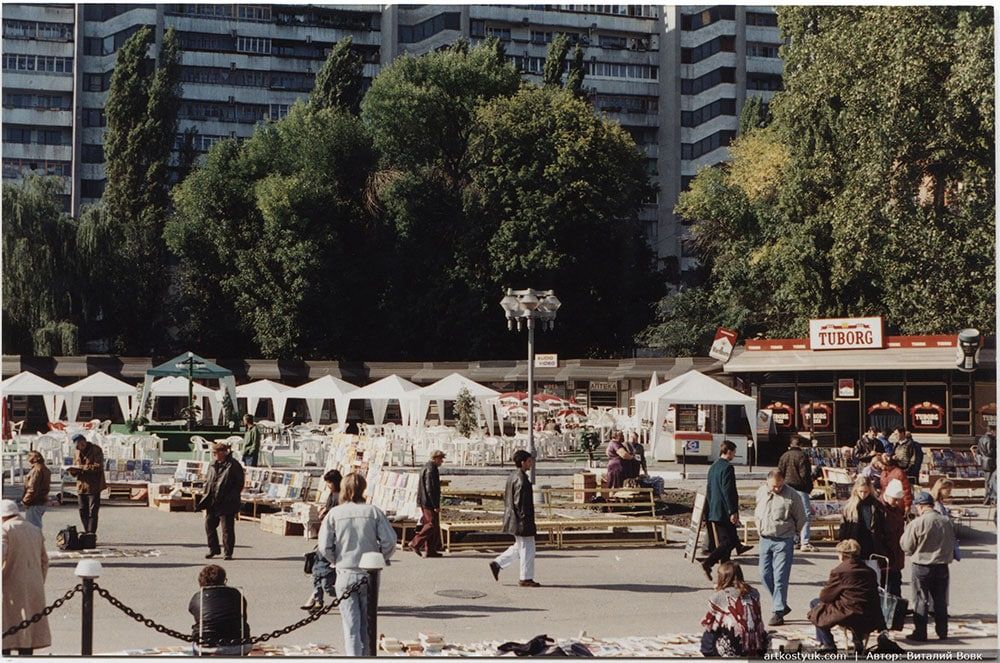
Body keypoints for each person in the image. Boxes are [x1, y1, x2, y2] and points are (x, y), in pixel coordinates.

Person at [318, 473, 396, 656]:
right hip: (369, 573)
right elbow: (390, 541)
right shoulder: (373, 511)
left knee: (350, 626)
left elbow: (324, 546)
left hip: (345, 572)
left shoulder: (334, 513)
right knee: (368, 626)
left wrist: (335, 560)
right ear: (363, 488)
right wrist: (379, 558)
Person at [807, 539, 886, 654]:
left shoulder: (839, 571)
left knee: (816, 605)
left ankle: (828, 644)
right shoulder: (869, 571)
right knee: (855, 605)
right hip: (870, 613)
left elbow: (825, 597)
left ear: (843, 555)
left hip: (849, 613)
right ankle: (857, 640)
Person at [901, 491, 957, 641]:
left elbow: (906, 546)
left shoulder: (917, 523)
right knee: (940, 600)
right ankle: (942, 631)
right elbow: (952, 542)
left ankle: (920, 633)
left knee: (921, 600)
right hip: (942, 565)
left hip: (922, 565)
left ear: (920, 507)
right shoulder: (946, 521)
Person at [754, 469, 806, 626]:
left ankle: (777, 612)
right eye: (773, 486)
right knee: (764, 574)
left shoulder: (792, 495)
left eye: (779, 485)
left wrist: (795, 534)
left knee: (780, 578)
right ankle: (782, 604)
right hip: (765, 538)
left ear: (783, 481)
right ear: (767, 482)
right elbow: (758, 511)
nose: (776, 489)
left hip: (783, 540)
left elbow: (801, 517)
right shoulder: (761, 491)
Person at [2, 499, 50, 656]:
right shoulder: (34, 529)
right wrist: (38, 580)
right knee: (27, 629)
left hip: (10, 586)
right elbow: (44, 561)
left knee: (6, 629)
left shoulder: (5, 530)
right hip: (33, 586)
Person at [701, 440, 751, 581]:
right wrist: (733, 511)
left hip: (714, 509)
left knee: (727, 544)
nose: (735, 454)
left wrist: (709, 510)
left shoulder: (714, 466)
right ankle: (708, 563)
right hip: (723, 510)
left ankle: (725, 575)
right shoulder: (727, 468)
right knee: (727, 543)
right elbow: (728, 491)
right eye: (734, 452)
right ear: (728, 451)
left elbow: (709, 489)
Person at [489, 449, 540, 587]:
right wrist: (525, 520)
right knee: (528, 549)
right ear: (523, 462)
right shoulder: (522, 479)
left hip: (513, 518)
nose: (531, 463)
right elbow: (520, 503)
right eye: (529, 461)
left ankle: (498, 563)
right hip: (521, 519)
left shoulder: (513, 476)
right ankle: (525, 578)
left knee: (520, 547)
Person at [699, 561, 768, 657]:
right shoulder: (755, 593)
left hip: (734, 648)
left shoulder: (717, 597)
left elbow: (708, 622)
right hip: (759, 646)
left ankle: (712, 653)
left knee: (711, 627)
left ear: (721, 578)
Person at [188, 564, 252, 656]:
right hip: (239, 645)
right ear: (224, 580)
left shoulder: (198, 597)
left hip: (207, 647)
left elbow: (196, 614)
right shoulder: (236, 593)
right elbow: (243, 618)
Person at [302, 470, 343, 611]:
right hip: (326, 534)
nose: (327, 486)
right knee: (317, 569)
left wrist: (325, 513)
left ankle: (319, 597)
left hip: (332, 537)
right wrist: (323, 511)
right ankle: (316, 598)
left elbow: (335, 514)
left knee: (321, 570)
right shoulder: (333, 495)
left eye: (329, 483)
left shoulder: (340, 496)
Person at [198, 442, 246, 561]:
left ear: (223, 452)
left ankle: (228, 552)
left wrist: (231, 496)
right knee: (209, 525)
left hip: (226, 501)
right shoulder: (212, 464)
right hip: (213, 500)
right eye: (213, 453)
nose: (214, 455)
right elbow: (209, 480)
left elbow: (239, 483)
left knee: (227, 529)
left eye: (216, 453)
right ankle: (213, 548)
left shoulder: (233, 465)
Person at [776, 436, 815, 552]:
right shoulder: (802, 456)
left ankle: (793, 540)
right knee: (805, 515)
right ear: (801, 445)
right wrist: (809, 487)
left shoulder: (784, 456)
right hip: (800, 488)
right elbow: (805, 474)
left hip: (786, 488)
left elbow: (780, 472)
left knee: (790, 515)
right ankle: (805, 541)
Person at [838, 477, 890, 562]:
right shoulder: (849, 507)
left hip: (872, 543)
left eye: (866, 492)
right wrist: (842, 548)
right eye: (860, 492)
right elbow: (843, 529)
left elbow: (884, 526)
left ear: (870, 490)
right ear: (856, 491)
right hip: (854, 542)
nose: (863, 495)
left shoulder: (877, 506)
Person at [409, 449, 445, 558]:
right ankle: (415, 543)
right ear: (435, 458)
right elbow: (431, 489)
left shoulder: (426, 467)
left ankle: (431, 550)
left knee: (432, 525)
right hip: (428, 502)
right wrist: (436, 505)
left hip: (424, 500)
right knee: (431, 524)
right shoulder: (431, 469)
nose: (441, 462)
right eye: (440, 459)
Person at [66, 434, 105, 535]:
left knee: (93, 511)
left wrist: (82, 468)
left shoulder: (96, 449)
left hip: (94, 484)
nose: (80, 447)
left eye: (82, 444)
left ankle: (91, 533)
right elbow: (75, 466)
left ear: (85, 441)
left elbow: (98, 466)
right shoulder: (77, 452)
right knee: (82, 510)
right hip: (81, 485)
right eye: (78, 445)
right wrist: (72, 470)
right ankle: (87, 531)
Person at [879, 479, 907, 597]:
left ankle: (897, 610)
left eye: (898, 500)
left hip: (896, 553)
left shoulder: (896, 508)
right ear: (887, 495)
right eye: (895, 499)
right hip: (885, 555)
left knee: (896, 583)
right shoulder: (879, 508)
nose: (896, 502)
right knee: (886, 586)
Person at [626, 431, 664, 497]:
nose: (633, 440)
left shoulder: (640, 447)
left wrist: (645, 471)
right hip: (628, 467)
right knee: (628, 481)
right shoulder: (625, 445)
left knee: (635, 480)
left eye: (635, 439)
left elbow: (643, 459)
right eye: (632, 438)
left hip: (636, 467)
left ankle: (635, 494)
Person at [21, 451, 51, 530]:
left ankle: (36, 542)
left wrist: (25, 501)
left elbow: (32, 488)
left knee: (32, 528)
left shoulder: (36, 470)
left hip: (34, 501)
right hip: (42, 500)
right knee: (37, 525)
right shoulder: (45, 469)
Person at [974, 426, 996, 505]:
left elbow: (978, 451)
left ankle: (987, 499)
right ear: (992, 431)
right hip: (991, 462)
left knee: (987, 482)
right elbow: (991, 451)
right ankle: (989, 500)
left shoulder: (981, 439)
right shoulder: (990, 439)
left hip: (984, 462)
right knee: (992, 481)